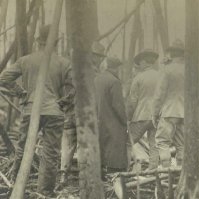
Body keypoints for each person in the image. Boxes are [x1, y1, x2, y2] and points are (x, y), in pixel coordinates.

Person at [0, 25, 73, 196]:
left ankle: (15, 187)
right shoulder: (64, 63)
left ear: (37, 41)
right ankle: (44, 192)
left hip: (31, 109)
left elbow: (3, 79)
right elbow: (75, 89)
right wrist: (63, 103)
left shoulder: (26, 60)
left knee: (23, 149)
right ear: (56, 42)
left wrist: (21, 93)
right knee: (51, 153)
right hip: (54, 112)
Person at [59, 41, 106, 186]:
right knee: (81, 146)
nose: (98, 59)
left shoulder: (73, 70)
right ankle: (82, 179)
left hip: (69, 113)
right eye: (97, 56)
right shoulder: (95, 74)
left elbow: (65, 91)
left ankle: (63, 178)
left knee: (67, 146)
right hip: (84, 115)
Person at [152, 39, 185, 167]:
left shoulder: (167, 70)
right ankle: (181, 173)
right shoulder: (190, 69)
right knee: (182, 145)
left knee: (162, 142)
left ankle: (166, 172)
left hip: (169, 111)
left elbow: (159, 94)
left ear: (171, 53)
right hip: (185, 113)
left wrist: (154, 113)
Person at [94, 57, 128, 178]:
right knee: (116, 145)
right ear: (116, 68)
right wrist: (125, 121)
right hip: (113, 120)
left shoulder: (97, 79)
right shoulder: (114, 81)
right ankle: (114, 173)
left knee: (102, 145)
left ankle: (100, 171)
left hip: (99, 118)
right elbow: (118, 105)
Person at [127, 49, 160, 170]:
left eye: (139, 63)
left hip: (141, 115)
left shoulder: (138, 78)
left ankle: (124, 169)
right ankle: (152, 169)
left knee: (127, 142)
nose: (138, 65)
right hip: (157, 116)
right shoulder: (160, 76)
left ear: (145, 62)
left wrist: (128, 117)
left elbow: (132, 101)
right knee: (154, 144)